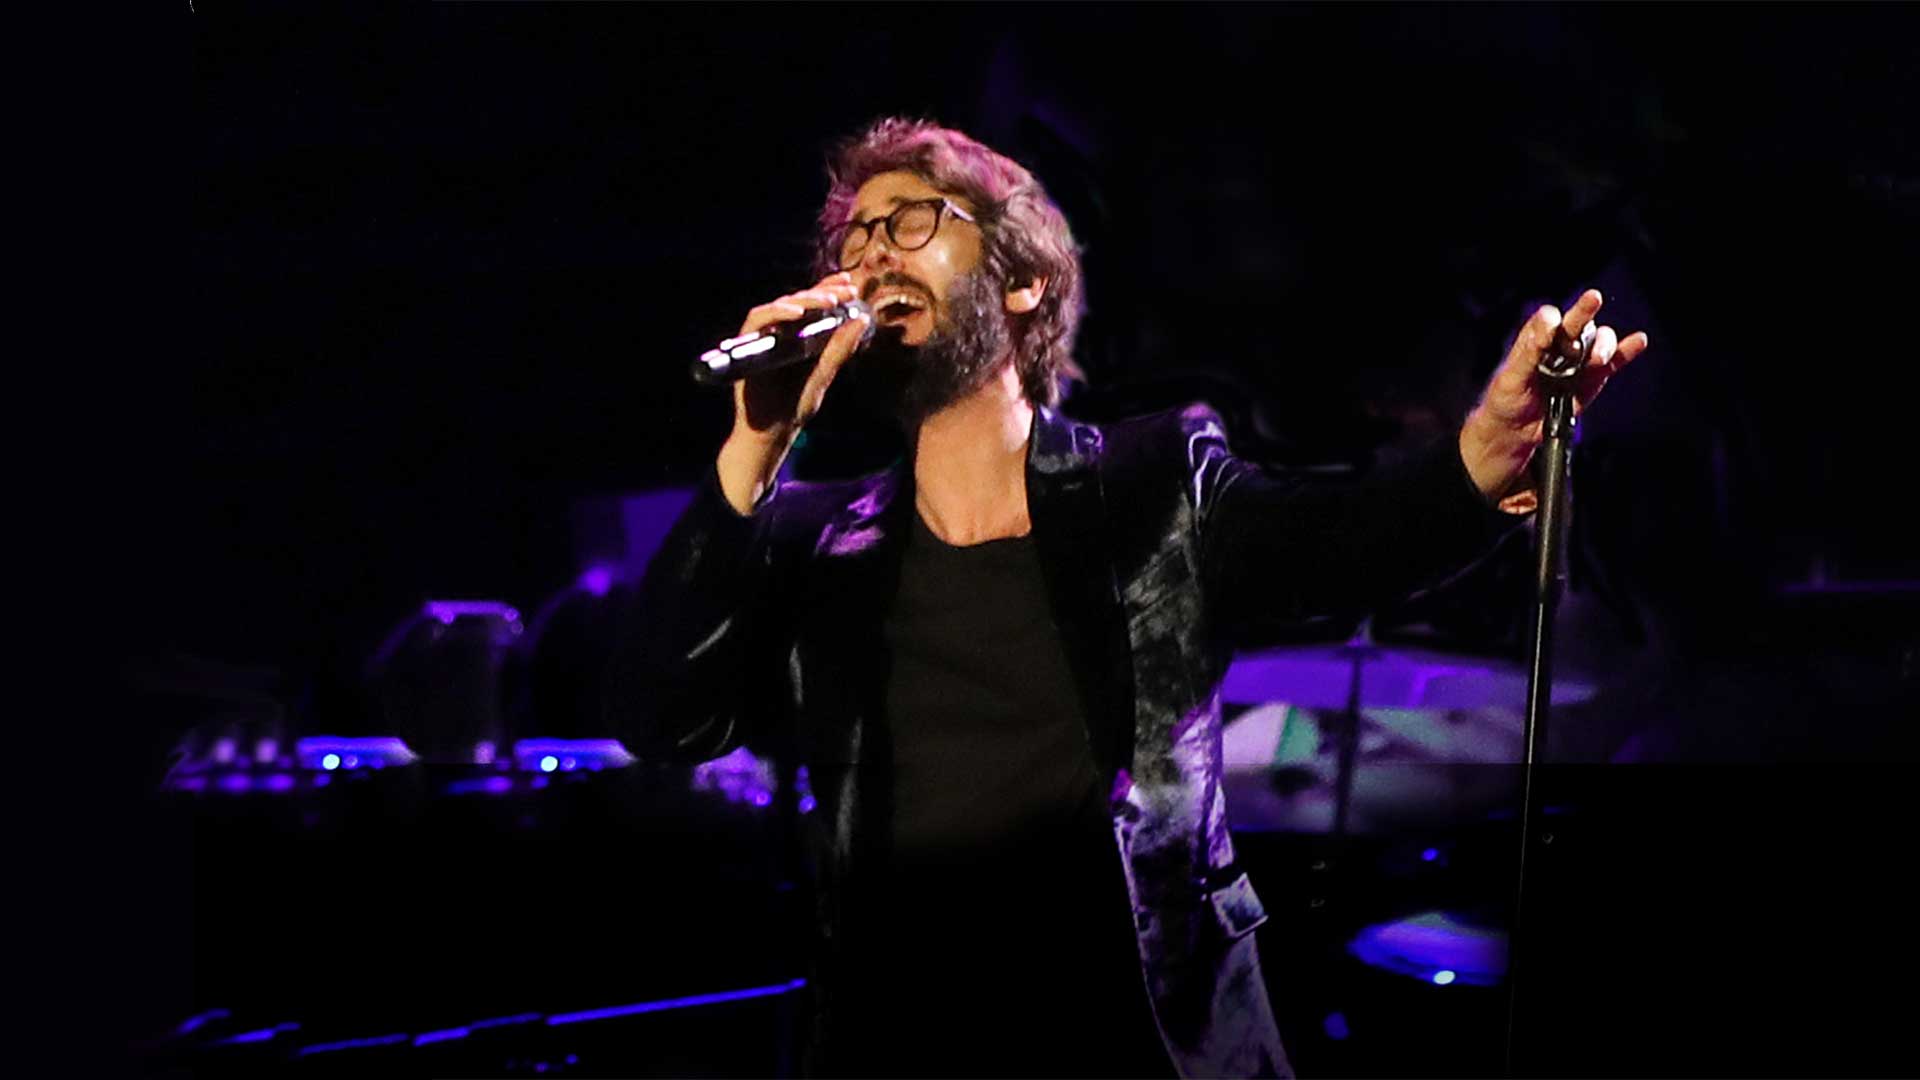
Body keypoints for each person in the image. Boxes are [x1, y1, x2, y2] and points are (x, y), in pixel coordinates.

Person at [604, 117, 1648, 1079]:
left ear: (1021, 285)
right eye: (855, 236)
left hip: (1139, 1043)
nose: (871, 253)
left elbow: (1337, 545)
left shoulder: (1150, 486)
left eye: (911, 219)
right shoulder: (810, 541)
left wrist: (1476, 453)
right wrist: (754, 446)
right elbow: (664, 718)